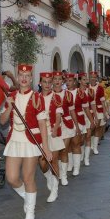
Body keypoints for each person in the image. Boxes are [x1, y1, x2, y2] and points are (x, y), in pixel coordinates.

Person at [0, 64, 52, 219]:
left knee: (28, 177)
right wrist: (8, 106)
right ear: (18, 76)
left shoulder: (37, 98)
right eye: (21, 75)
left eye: (27, 75)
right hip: (14, 140)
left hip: (30, 141)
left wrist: (46, 147)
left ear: (31, 78)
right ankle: (27, 196)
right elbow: (2, 121)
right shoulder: (11, 95)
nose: (23, 78)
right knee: (12, 178)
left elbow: (42, 123)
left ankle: (30, 211)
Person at [39, 72, 64, 203]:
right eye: (45, 82)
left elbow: (59, 115)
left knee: (54, 160)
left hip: (53, 133)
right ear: (40, 83)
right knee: (42, 162)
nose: (47, 85)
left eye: (49, 82)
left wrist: (55, 129)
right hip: (40, 134)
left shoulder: (56, 97)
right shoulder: (35, 97)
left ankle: (55, 190)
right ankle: (49, 176)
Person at [53, 72, 80, 185]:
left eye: (60, 79)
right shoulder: (48, 94)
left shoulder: (68, 94)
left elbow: (72, 111)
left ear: (62, 81)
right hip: (54, 126)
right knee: (57, 152)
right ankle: (57, 173)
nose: (57, 81)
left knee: (64, 150)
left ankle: (63, 176)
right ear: (52, 80)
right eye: (55, 79)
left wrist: (77, 125)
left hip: (67, 125)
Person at [78, 73, 96, 166]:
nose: (86, 81)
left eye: (86, 79)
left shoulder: (91, 91)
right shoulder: (76, 91)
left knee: (88, 136)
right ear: (79, 81)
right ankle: (80, 154)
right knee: (80, 139)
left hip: (88, 115)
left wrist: (95, 117)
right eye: (84, 80)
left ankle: (86, 158)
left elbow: (93, 104)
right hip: (79, 116)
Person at [89, 71, 108, 155]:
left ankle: (95, 147)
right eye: (91, 77)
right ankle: (91, 145)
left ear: (96, 78)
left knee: (97, 128)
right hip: (89, 111)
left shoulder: (100, 88)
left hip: (99, 110)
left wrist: (105, 113)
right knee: (91, 128)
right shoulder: (86, 87)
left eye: (94, 77)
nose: (93, 79)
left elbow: (103, 101)